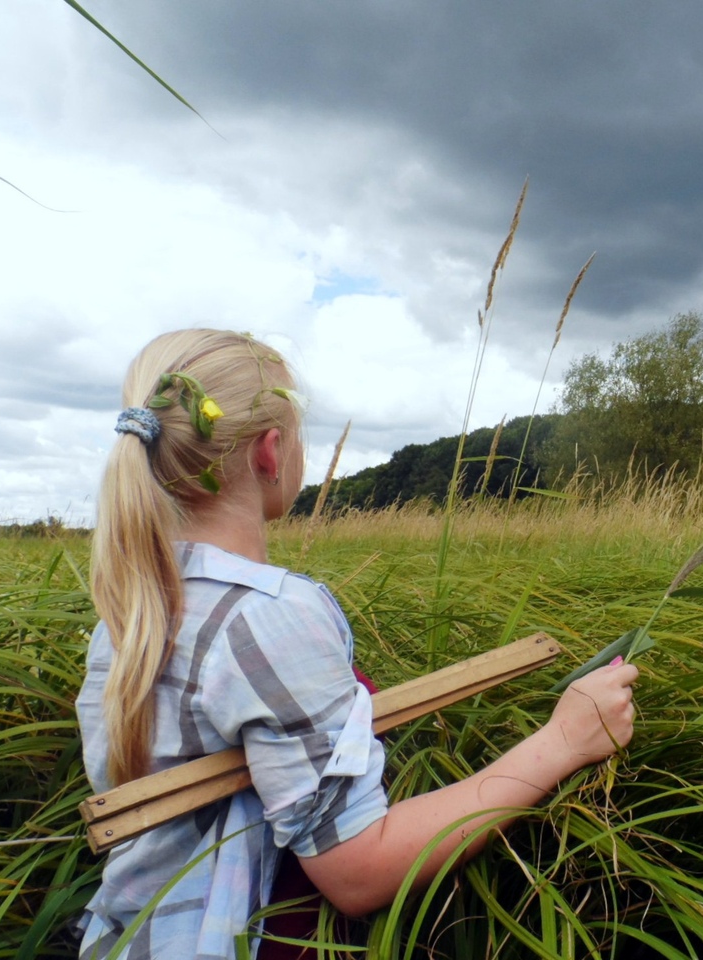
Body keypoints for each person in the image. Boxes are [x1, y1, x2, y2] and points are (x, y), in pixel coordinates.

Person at [74, 329, 638, 959]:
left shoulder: (131, 608)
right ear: (270, 452)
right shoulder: (269, 616)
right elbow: (358, 871)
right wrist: (564, 741)